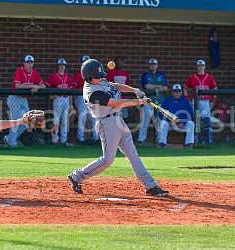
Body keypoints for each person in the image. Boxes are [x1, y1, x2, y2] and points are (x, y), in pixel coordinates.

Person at [68, 59, 169, 197]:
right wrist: (139, 102)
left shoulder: (98, 80)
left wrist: (135, 90)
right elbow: (116, 102)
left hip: (118, 119)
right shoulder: (92, 92)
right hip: (107, 124)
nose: (101, 78)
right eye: (97, 76)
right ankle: (77, 176)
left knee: (133, 154)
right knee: (107, 160)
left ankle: (150, 185)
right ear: (89, 77)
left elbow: (115, 86)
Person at [5, 55, 45, 147]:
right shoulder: (20, 71)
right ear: (24, 63)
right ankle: (12, 143)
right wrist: (32, 86)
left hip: (23, 99)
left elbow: (43, 85)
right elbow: (17, 86)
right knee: (16, 121)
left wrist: (37, 87)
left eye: (31, 62)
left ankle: (9, 139)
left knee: (27, 122)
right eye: (28, 62)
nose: (30, 64)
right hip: (14, 98)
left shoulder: (34, 73)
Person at [184, 59, 217, 145]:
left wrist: (213, 101)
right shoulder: (192, 77)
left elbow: (215, 90)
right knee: (196, 121)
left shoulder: (209, 77)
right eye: (199, 66)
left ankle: (208, 141)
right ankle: (197, 140)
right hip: (195, 101)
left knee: (206, 120)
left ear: (204, 67)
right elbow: (185, 88)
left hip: (206, 101)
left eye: (202, 66)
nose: (200, 67)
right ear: (197, 67)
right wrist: (188, 99)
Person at [138, 58, 168, 145]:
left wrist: (154, 87)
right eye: (151, 64)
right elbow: (146, 86)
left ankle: (159, 139)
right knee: (145, 120)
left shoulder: (161, 75)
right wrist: (158, 87)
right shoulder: (145, 75)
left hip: (159, 101)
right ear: (149, 66)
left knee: (158, 120)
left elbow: (166, 88)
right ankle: (141, 139)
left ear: (157, 65)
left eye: (154, 64)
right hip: (148, 101)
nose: (153, 66)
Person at [45, 58, 74, 145]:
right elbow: (47, 86)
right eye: (60, 65)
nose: (62, 67)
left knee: (64, 121)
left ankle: (63, 140)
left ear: (65, 67)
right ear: (57, 66)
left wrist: (71, 104)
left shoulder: (68, 77)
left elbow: (70, 92)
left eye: (63, 65)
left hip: (66, 100)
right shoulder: (53, 76)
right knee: (56, 121)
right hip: (58, 99)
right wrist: (51, 95)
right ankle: (55, 139)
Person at [71, 55, 99, 145]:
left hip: (92, 98)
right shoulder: (78, 74)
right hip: (81, 97)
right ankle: (81, 139)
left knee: (94, 118)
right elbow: (73, 88)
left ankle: (96, 138)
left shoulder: (94, 75)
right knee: (82, 118)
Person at [158, 84, 195, 148]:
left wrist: (183, 122)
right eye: (175, 91)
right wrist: (169, 120)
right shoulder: (167, 101)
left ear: (181, 92)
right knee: (163, 123)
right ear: (172, 92)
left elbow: (190, 114)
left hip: (182, 124)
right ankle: (162, 143)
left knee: (191, 123)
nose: (177, 93)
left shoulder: (185, 101)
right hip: (170, 123)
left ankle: (189, 144)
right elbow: (161, 113)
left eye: (179, 91)